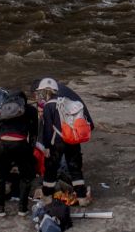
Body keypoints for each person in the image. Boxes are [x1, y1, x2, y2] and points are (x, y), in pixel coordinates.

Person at [34, 77, 95, 207]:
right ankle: (82, 197)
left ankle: (47, 197)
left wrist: (46, 147)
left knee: (51, 170)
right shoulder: (68, 102)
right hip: (72, 140)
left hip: (57, 142)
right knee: (75, 169)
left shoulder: (48, 106)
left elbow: (48, 129)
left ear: (46, 92)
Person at [0, 88, 38, 217]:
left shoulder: (3, 109)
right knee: (26, 177)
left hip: (3, 143)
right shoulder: (30, 110)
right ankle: (22, 209)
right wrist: (30, 151)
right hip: (21, 143)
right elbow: (34, 134)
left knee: (0, 177)